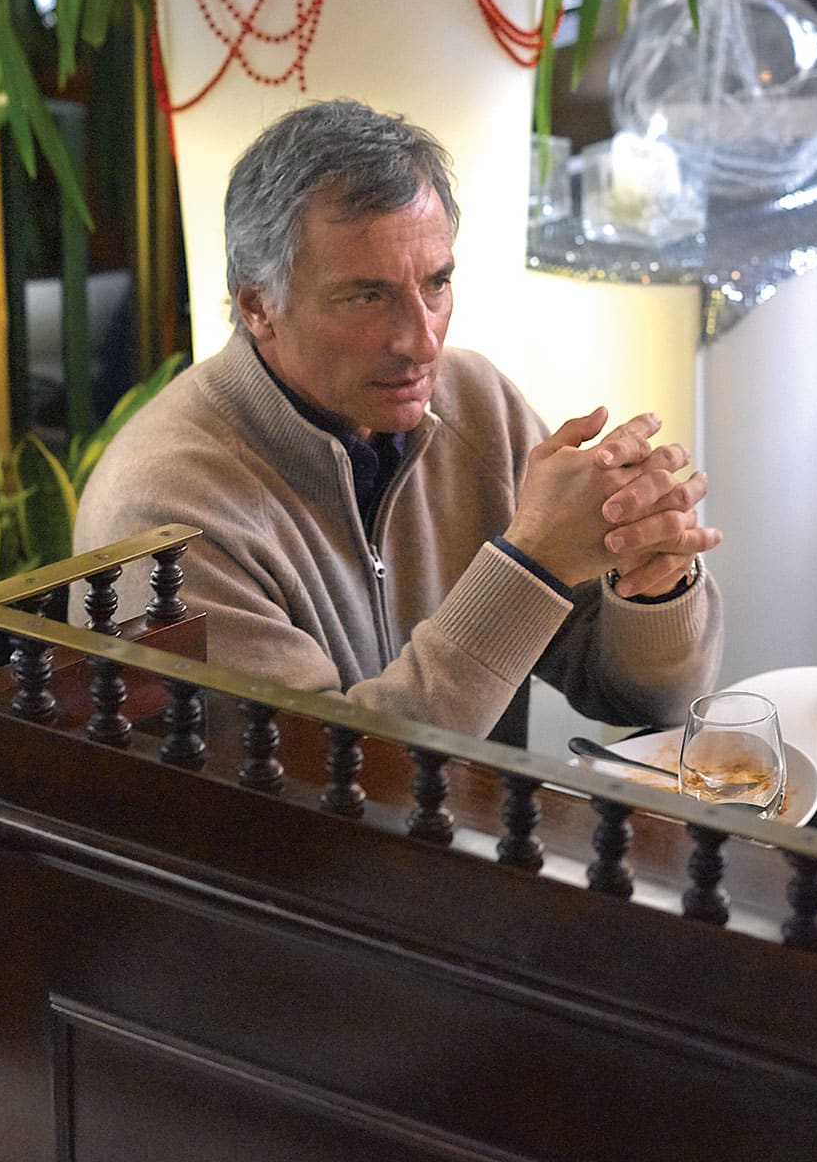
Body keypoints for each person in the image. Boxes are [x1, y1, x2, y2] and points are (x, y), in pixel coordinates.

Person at [76, 98, 723, 746]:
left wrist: (651, 584)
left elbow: (650, 698)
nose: (421, 342)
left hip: (479, 843)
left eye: (436, 283)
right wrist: (530, 566)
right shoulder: (164, 511)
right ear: (258, 305)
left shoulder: (476, 403)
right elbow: (329, 787)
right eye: (368, 295)